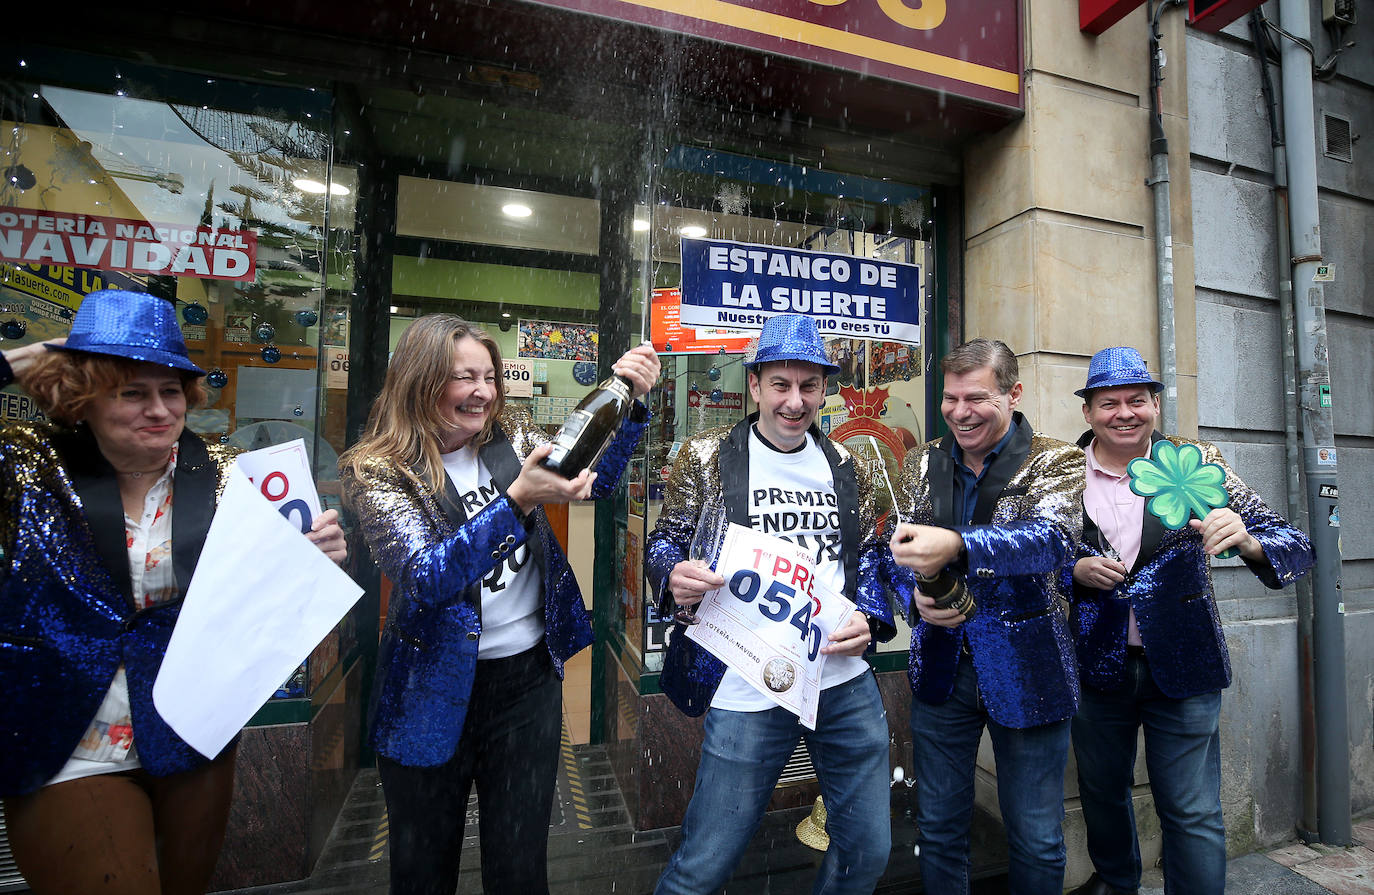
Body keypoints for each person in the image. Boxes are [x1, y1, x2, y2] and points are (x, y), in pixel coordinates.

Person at [0, 289, 347, 895]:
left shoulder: (224, 473)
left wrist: (314, 555)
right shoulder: (29, 467)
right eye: (131, 392)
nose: (159, 410)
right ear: (83, 398)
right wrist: (25, 359)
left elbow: (264, 595)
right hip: (65, 737)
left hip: (190, 735)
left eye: (170, 391)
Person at [339, 314, 658, 895]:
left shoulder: (507, 440)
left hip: (526, 684)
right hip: (429, 692)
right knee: (422, 868)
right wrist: (514, 504)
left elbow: (593, 481)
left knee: (519, 865)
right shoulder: (378, 470)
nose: (483, 391)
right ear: (420, 380)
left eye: (489, 375)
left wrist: (631, 404)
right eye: (464, 378)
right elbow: (427, 577)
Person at [646, 314, 896, 895]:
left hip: (842, 679)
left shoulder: (848, 464)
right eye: (780, 385)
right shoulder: (710, 456)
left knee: (867, 850)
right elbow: (665, 541)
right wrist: (672, 574)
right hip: (746, 680)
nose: (794, 401)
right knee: (705, 861)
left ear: (824, 389)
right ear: (755, 384)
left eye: (808, 386)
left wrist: (872, 616)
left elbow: (875, 555)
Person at [1064, 347, 1314, 895]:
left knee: (1192, 808)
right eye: (1109, 403)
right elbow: (1033, 555)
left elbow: (1294, 544)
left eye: (1137, 400)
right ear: (1088, 412)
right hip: (1095, 667)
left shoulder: (1197, 464)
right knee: (1102, 792)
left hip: (1183, 666)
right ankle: (1114, 882)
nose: (1124, 413)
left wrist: (1247, 540)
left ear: (1156, 404)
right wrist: (1072, 570)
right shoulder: (1059, 472)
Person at [889, 338, 1084, 895]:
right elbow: (894, 549)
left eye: (976, 398)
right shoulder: (924, 459)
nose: (959, 412)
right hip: (942, 672)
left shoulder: (1059, 459)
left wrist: (955, 544)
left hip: (1031, 671)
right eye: (951, 399)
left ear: (1012, 394)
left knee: (1036, 836)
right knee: (940, 826)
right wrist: (913, 596)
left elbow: (1053, 540)